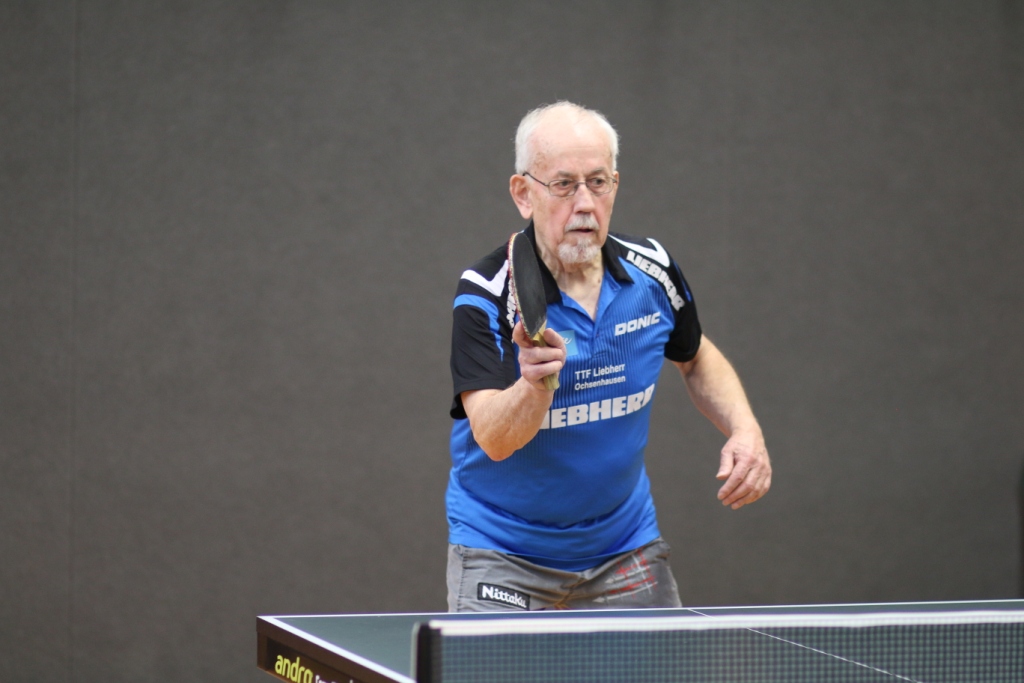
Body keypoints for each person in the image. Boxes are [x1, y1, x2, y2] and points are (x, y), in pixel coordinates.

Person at [446, 101, 771, 612]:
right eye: (563, 184)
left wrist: (744, 428)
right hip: (504, 553)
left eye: (597, 183)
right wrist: (533, 387)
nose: (584, 203)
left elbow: (695, 357)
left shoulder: (653, 271)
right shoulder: (486, 294)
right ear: (523, 194)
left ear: (614, 186)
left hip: (624, 550)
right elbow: (493, 438)